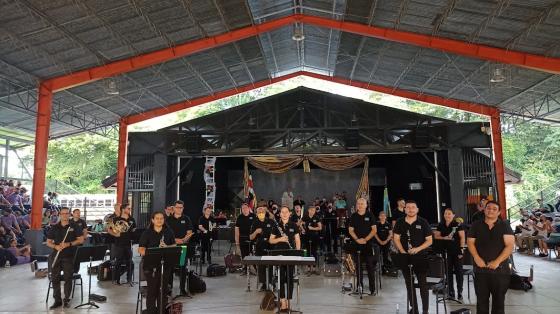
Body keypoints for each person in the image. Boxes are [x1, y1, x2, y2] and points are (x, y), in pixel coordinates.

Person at [467, 200, 514, 314]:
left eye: (494, 209)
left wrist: (497, 261)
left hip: (500, 271)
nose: (491, 210)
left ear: (499, 212)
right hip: (480, 270)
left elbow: (509, 246)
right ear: (484, 209)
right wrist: (476, 258)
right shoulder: (476, 225)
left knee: (498, 303)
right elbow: (470, 243)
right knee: (481, 302)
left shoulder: (505, 226)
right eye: (488, 208)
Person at [393, 200, 433, 314]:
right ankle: (414, 309)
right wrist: (402, 251)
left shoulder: (423, 222)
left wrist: (417, 249)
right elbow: (396, 238)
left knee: (423, 285)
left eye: (413, 207)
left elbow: (429, 240)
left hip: (420, 257)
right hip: (405, 257)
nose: (410, 209)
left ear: (417, 210)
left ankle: (425, 310)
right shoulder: (400, 222)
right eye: (408, 207)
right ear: (405, 209)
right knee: (409, 284)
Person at [46, 207, 85, 309]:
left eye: (67, 213)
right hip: (56, 255)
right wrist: (56, 246)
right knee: (55, 278)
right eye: (63, 213)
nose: (65, 215)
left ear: (69, 215)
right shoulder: (54, 227)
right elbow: (48, 242)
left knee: (68, 278)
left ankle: (66, 299)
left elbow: (80, 240)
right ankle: (57, 300)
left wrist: (69, 244)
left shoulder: (75, 226)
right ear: (60, 214)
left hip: (69, 256)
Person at [138, 211, 176, 314]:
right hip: (151, 267)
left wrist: (166, 247)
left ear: (164, 220)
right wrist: (152, 251)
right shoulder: (147, 233)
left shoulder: (168, 232)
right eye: (157, 218)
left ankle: (161, 311)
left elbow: (174, 245)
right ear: (153, 220)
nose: (159, 220)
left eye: (161, 218)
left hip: (165, 266)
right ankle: (151, 311)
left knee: (163, 291)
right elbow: (140, 249)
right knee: (152, 291)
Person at [269, 206, 301, 312]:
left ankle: (288, 300)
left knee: (290, 279)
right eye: (282, 212)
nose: (284, 214)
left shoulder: (293, 225)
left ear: (289, 213)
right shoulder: (276, 226)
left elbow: (297, 240)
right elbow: (271, 241)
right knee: (281, 278)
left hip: (291, 254)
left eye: (286, 212)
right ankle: (282, 301)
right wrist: (280, 239)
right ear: (280, 214)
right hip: (279, 255)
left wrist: (298, 253)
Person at [348, 197, 378, 295]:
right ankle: (359, 287)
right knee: (358, 267)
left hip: (368, 245)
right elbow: (350, 230)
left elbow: (374, 230)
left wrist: (365, 239)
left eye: (362, 203)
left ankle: (372, 289)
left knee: (370, 267)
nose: (360, 205)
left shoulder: (370, 215)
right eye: (358, 204)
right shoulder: (353, 216)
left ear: (366, 205)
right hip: (357, 245)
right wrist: (357, 239)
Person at [434, 208, 466, 300]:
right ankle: (451, 292)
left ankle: (460, 291)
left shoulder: (457, 224)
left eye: (449, 214)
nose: (447, 215)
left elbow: (462, 237)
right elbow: (436, 236)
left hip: (457, 252)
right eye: (445, 214)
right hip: (446, 252)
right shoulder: (441, 225)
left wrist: (461, 250)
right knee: (448, 273)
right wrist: (444, 238)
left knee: (459, 272)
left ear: (453, 215)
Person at [165, 200, 193, 296]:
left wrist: (185, 240)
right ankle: (169, 289)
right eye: (177, 207)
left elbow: (189, 232)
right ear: (174, 208)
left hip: (183, 248)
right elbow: (166, 235)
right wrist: (177, 240)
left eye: (181, 207)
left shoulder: (187, 219)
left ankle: (182, 289)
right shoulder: (168, 220)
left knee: (182, 268)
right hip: (171, 248)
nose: (179, 209)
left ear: (183, 208)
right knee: (170, 268)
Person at [249, 202, 275, 290]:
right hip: (259, 247)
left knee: (271, 265)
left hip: (270, 247)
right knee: (261, 266)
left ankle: (271, 282)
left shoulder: (270, 221)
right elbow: (251, 237)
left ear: (265, 212)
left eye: (262, 211)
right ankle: (263, 283)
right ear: (256, 213)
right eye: (259, 212)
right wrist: (256, 232)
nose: (261, 213)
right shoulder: (254, 223)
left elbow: (276, 233)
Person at [108, 203, 136, 284]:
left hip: (128, 243)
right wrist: (115, 234)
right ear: (123, 209)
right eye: (128, 208)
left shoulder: (132, 219)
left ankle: (129, 279)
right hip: (119, 243)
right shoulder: (116, 219)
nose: (129, 210)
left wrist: (133, 236)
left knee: (129, 262)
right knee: (118, 262)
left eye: (130, 208)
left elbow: (134, 230)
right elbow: (109, 230)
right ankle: (117, 279)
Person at [235, 203, 255, 273]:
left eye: (245, 208)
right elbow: (236, 231)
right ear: (241, 210)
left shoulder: (253, 216)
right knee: (244, 255)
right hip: (242, 239)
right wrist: (237, 243)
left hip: (252, 239)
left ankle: (254, 269)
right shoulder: (239, 217)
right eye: (243, 208)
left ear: (249, 208)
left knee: (253, 254)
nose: (244, 209)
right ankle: (245, 269)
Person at [303, 206, 322, 275]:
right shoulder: (305, 217)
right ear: (308, 210)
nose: (312, 211)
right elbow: (299, 223)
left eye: (314, 210)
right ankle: (308, 268)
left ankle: (314, 268)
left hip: (315, 236)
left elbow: (320, 228)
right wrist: (302, 228)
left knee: (314, 252)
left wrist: (312, 228)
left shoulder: (316, 217)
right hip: (307, 236)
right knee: (308, 252)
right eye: (311, 210)